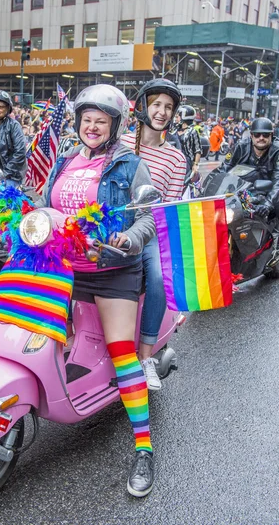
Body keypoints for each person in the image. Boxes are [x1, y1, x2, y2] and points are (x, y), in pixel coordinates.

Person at [38, 84, 157, 497]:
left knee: (123, 354)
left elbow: (147, 219)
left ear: (114, 125)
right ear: (78, 123)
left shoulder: (128, 164)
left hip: (110, 269)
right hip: (61, 266)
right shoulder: (65, 160)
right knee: (38, 334)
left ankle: (143, 447)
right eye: (86, 120)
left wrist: (127, 240)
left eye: (100, 121)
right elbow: (45, 203)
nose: (92, 127)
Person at [121, 79, 187, 391]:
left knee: (160, 277)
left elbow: (168, 210)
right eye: (156, 104)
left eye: (168, 107)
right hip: (109, 225)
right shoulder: (119, 142)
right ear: (144, 106)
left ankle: (145, 355)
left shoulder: (176, 158)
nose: (161, 112)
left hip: (148, 232)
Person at [218, 117, 279, 219]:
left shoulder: (276, 151)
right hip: (245, 195)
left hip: (271, 196)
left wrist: (268, 204)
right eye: (257, 134)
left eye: (265, 134)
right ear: (251, 135)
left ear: (271, 135)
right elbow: (224, 168)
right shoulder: (241, 147)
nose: (261, 138)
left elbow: (278, 181)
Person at [0, 90, 27, 188]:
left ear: (8, 108)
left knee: (0, 198)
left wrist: (5, 173)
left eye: (1, 106)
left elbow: (20, 152)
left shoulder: (13, 125)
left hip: (10, 176)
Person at [177, 104, 202, 177]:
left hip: (186, 163)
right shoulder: (174, 130)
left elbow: (198, 150)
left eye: (178, 116)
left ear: (184, 117)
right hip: (174, 162)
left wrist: (195, 165)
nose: (176, 118)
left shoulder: (193, 132)